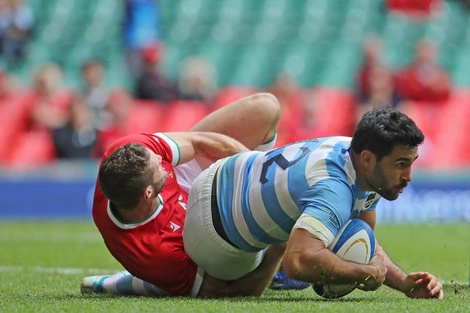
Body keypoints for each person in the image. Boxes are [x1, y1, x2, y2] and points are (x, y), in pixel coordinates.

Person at [181, 107, 443, 299]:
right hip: (211, 234)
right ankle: (273, 262)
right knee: (294, 248)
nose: (408, 176)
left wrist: (405, 283)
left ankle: (283, 253)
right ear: (367, 159)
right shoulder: (334, 189)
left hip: (220, 173)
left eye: (410, 163)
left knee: (321, 226)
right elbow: (299, 261)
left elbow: (362, 237)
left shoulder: (353, 152)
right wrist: (359, 272)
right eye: (401, 164)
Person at [81, 93, 288, 297]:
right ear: (148, 193)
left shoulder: (126, 153)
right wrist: (278, 249)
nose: (162, 160)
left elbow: (198, 141)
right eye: (158, 166)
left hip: (187, 179)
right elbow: (224, 290)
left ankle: (128, 283)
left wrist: (262, 174)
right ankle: (132, 283)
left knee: (265, 107)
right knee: (182, 279)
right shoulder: (156, 252)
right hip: (202, 234)